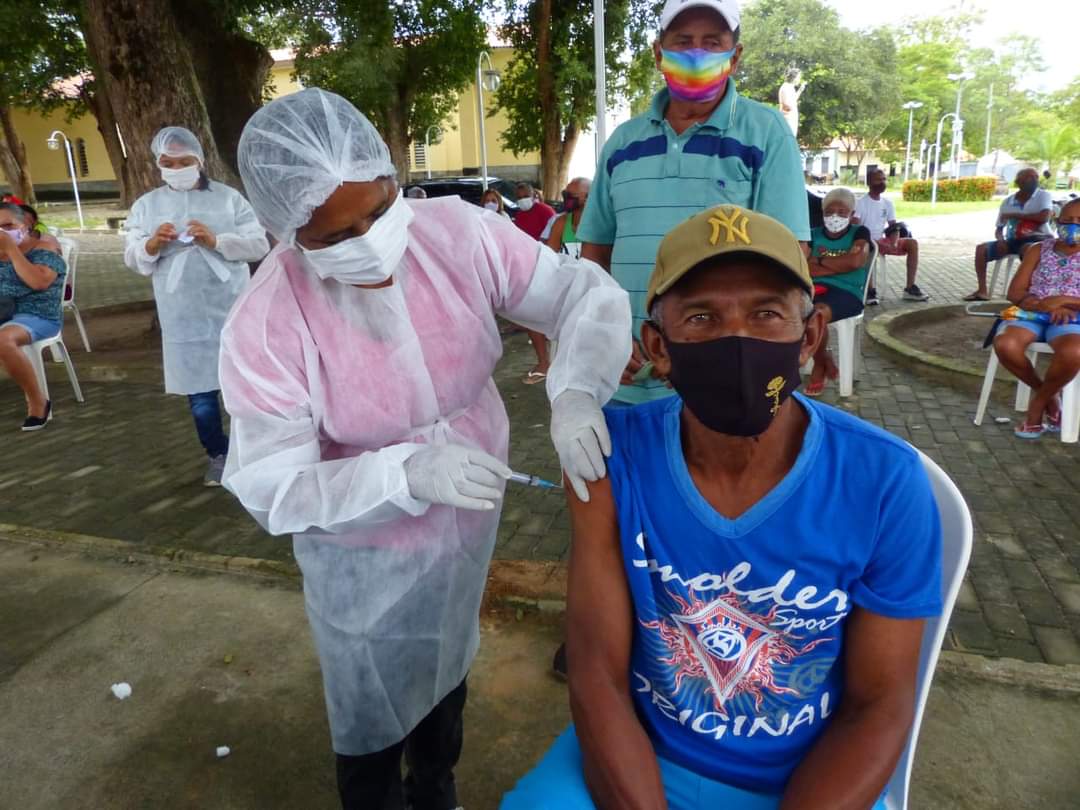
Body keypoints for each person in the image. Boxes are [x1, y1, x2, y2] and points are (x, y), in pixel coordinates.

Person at [222, 88, 630, 810]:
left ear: (391, 176)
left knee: (448, 672)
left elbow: (577, 294)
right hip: (364, 554)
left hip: (466, 528)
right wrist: (401, 472)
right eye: (333, 236)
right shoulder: (269, 318)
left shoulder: (456, 234)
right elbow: (272, 482)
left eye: (379, 211)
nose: (369, 241)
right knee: (370, 712)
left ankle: (438, 788)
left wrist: (575, 389)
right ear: (286, 231)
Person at [502, 205, 943, 810]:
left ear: (809, 334)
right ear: (658, 346)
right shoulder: (609, 459)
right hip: (643, 755)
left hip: (806, 777)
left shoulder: (886, 482)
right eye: (702, 317)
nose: (737, 340)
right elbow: (596, 672)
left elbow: (880, 702)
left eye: (765, 313)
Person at [578, 0, 810, 407]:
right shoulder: (622, 143)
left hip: (722, 376)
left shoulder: (766, 132)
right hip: (625, 374)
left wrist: (716, 350)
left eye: (712, 42)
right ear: (658, 53)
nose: (696, 53)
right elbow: (596, 251)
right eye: (683, 41)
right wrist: (606, 333)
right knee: (625, 468)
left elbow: (790, 257)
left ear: (734, 56)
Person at [123, 126, 269, 486]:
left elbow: (258, 245)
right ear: (159, 164)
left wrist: (216, 239)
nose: (177, 167)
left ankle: (251, 452)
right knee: (200, 392)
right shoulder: (147, 205)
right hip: (181, 312)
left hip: (231, 303)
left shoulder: (228, 199)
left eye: (184, 161)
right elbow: (132, 254)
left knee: (243, 384)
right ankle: (218, 454)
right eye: (168, 162)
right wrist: (153, 244)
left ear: (199, 161)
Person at [992, 198, 1080, 438]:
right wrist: (1043, 304)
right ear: (1056, 222)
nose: (1073, 227)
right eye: (1067, 221)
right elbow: (1015, 292)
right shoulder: (1039, 249)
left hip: (1072, 319)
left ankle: (1037, 406)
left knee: (1074, 352)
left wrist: (1063, 301)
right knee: (1005, 344)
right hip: (1033, 312)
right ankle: (1051, 398)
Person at [0, 202, 67, 430]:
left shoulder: (45, 250)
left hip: (37, 314)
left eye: (8, 225)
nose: (2, 233)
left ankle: (38, 402)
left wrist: (11, 250)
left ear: (25, 225)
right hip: (4, 313)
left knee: (3, 340)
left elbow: (39, 282)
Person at [806, 188, 872, 396]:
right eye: (829, 211)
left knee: (817, 313)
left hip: (848, 292)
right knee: (795, 311)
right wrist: (840, 264)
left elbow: (856, 261)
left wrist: (819, 261)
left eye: (842, 212)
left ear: (852, 215)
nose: (835, 217)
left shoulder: (860, 233)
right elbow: (803, 265)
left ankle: (818, 367)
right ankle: (824, 358)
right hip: (814, 289)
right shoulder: (812, 234)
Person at [965, 167, 1054, 302]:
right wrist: (1001, 240)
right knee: (981, 249)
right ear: (1019, 182)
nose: (1034, 180)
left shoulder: (1043, 196)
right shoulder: (1008, 202)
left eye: (1036, 177)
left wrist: (1014, 214)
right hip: (1013, 240)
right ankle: (982, 291)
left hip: (1039, 238)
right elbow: (999, 228)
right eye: (1029, 177)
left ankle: (1030, 292)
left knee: (1029, 249)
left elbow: (1044, 217)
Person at [853, 168, 927, 304]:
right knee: (866, 246)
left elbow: (893, 226)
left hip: (883, 241)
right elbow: (855, 227)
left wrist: (895, 240)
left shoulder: (888, 203)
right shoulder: (860, 203)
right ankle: (870, 291)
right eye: (878, 180)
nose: (882, 182)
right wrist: (869, 240)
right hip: (867, 241)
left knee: (912, 243)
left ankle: (910, 288)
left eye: (884, 179)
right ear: (869, 182)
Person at [514, 182, 560, 384]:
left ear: (534, 195)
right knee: (532, 315)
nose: (522, 199)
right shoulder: (520, 216)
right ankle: (544, 362)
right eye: (519, 196)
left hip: (546, 267)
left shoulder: (546, 212)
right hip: (527, 268)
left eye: (526, 195)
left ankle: (551, 363)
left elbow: (549, 244)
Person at [543, 177, 591, 260]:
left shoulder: (601, 224)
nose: (566, 198)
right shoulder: (561, 222)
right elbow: (551, 257)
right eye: (565, 194)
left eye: (571, 195)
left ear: (588, 197)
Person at [778, 68, 806, 137]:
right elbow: (787, 106)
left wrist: (800, 90)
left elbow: (793, 100)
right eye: (799, 77)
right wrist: (794, 105)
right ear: (794, 78)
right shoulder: (786, 87)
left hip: (791, 119)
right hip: (787, 120)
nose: (799, 79)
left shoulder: (790, 87)